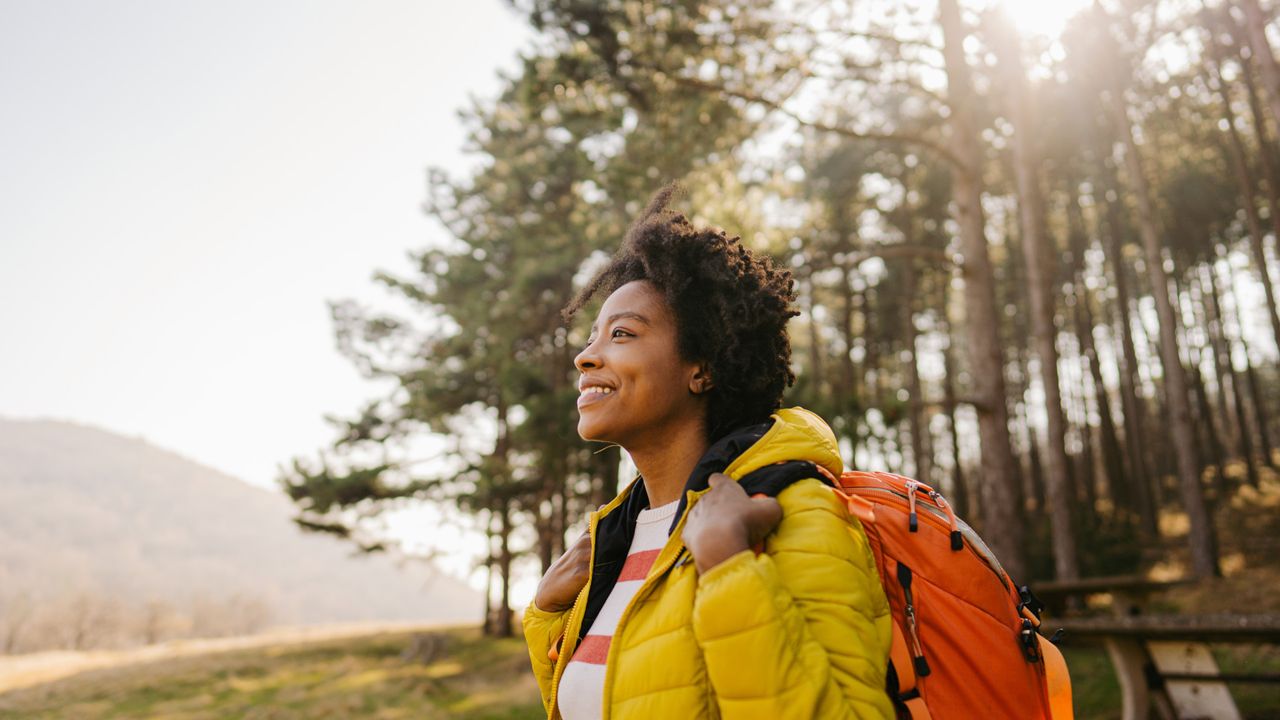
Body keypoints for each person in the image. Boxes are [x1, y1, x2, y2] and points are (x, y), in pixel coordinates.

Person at [523, 185, 893, 719]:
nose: (586, 357)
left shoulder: (789, 510)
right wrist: (545, 616)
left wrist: (728, 568)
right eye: (591, 336)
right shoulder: (613, 540)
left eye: (621, 333)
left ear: (703, 368)